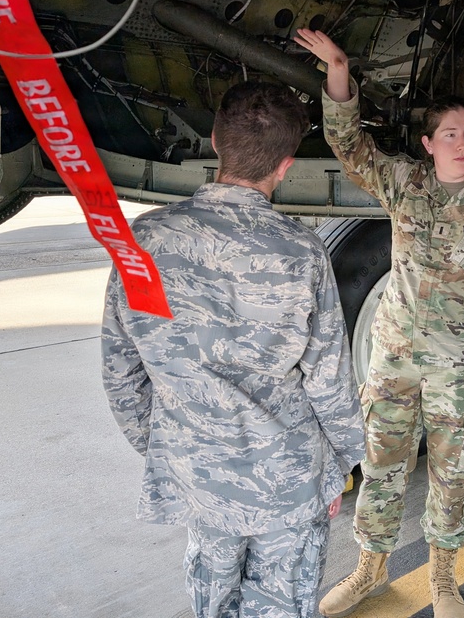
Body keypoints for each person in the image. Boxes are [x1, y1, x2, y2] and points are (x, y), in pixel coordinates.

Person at [294, 28, 464, 618]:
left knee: (453, 477)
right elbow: (347, 143)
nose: (462, 143)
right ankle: (369, 571)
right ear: (428, 144)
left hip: (461, 372)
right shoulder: (404, 184)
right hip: (396, 360)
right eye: (450, 134)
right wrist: (338, 72)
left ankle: (444, 579)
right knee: (380, 467)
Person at [101, 81, 365, 618]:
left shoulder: (145, 240)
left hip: (198, 473)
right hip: (287, 477)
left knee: (213, 601)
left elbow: (122, 371)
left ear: (216, 140)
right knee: (282, 604)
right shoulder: (301, 251)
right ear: (287, 164)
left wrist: (176, 446)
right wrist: (339, 464)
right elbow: (328, 378)